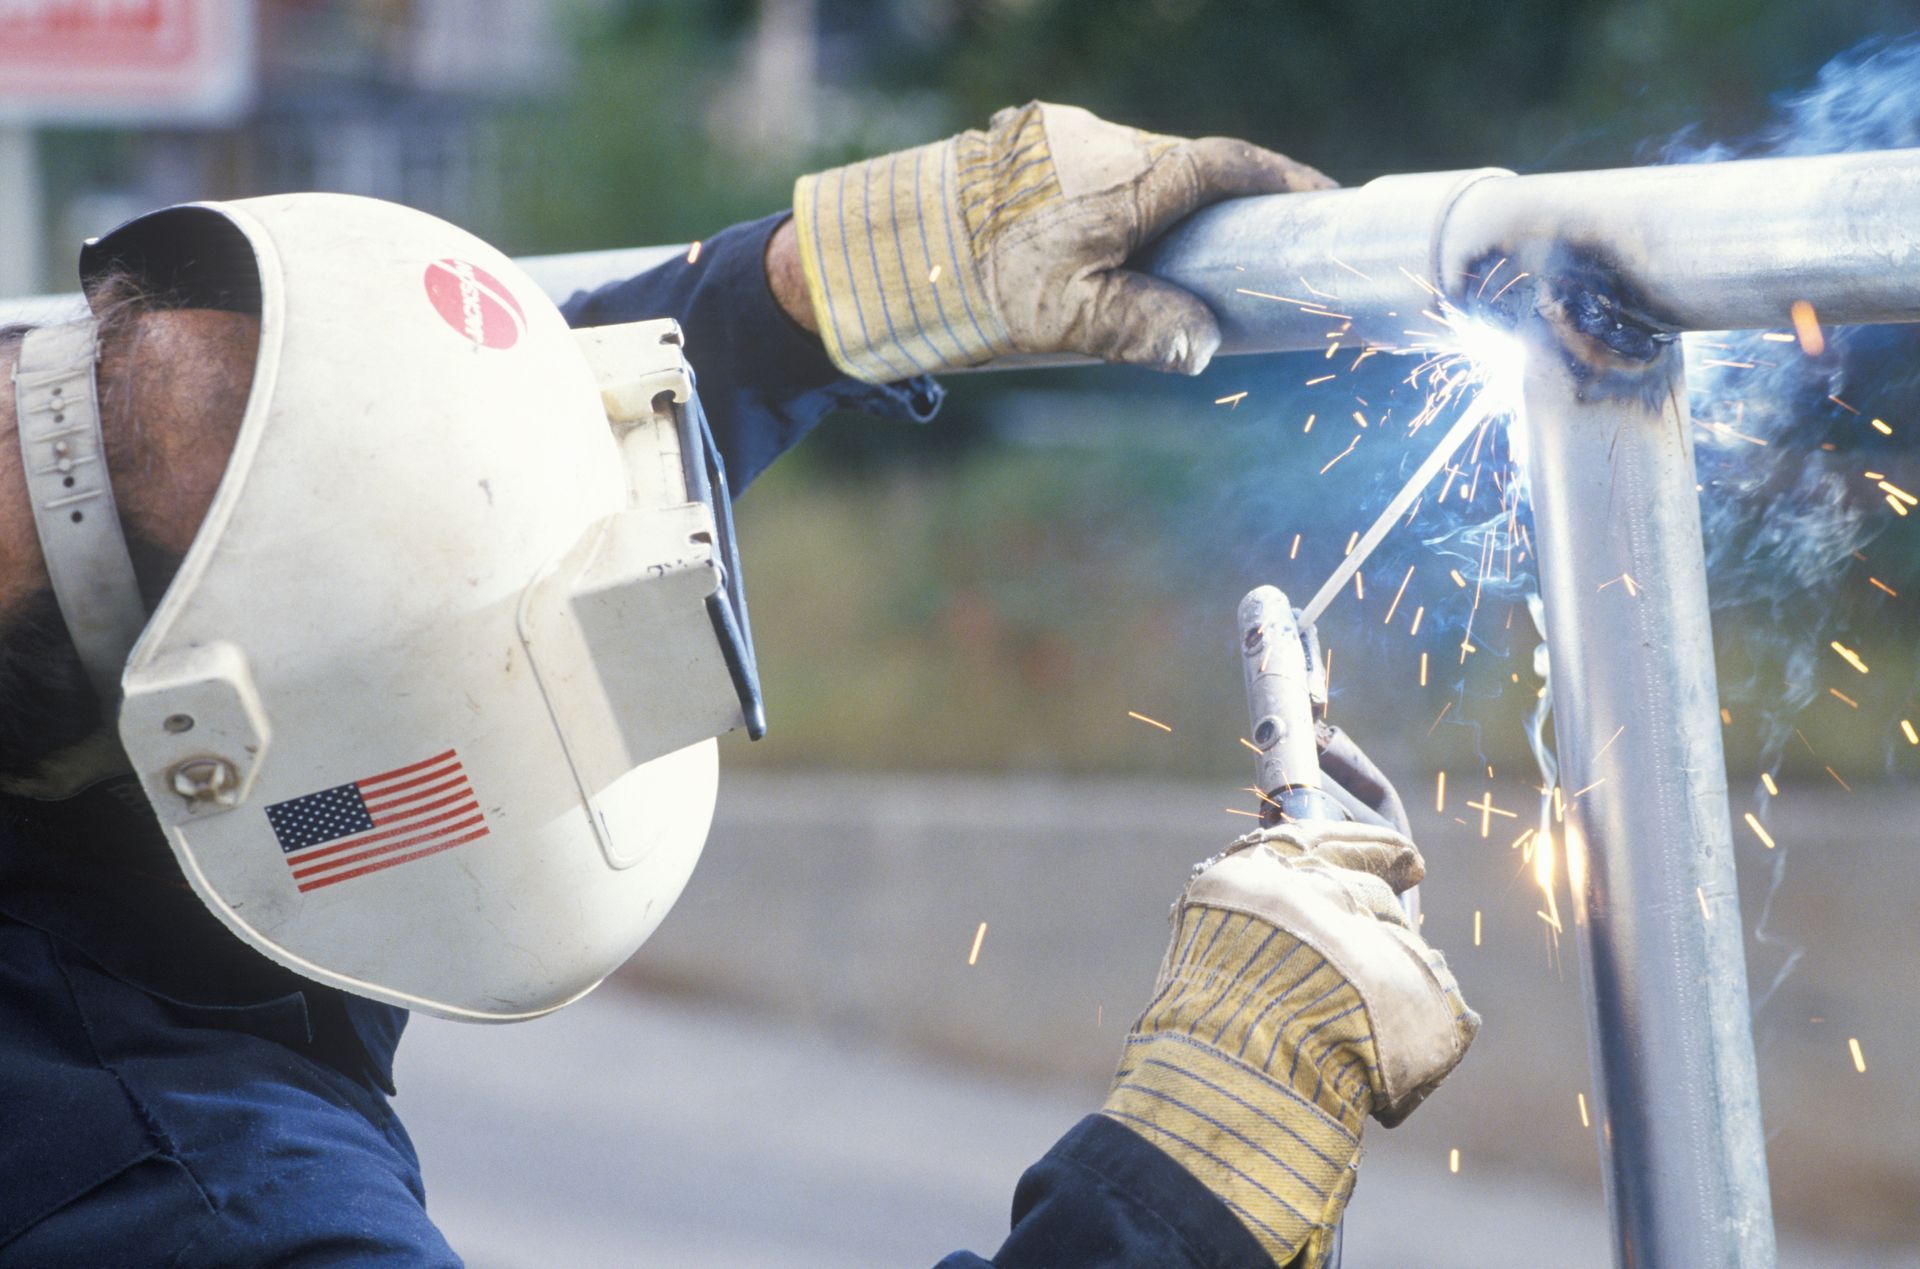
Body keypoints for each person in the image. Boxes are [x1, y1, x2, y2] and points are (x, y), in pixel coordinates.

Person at [0, 103, 1474, 1266]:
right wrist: (1187, 1183)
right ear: (193, 752)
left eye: (60, 361)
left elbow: (399, 528)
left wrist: (807, 294)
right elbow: (347, 573)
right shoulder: (192, 1205)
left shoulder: (212, 846)